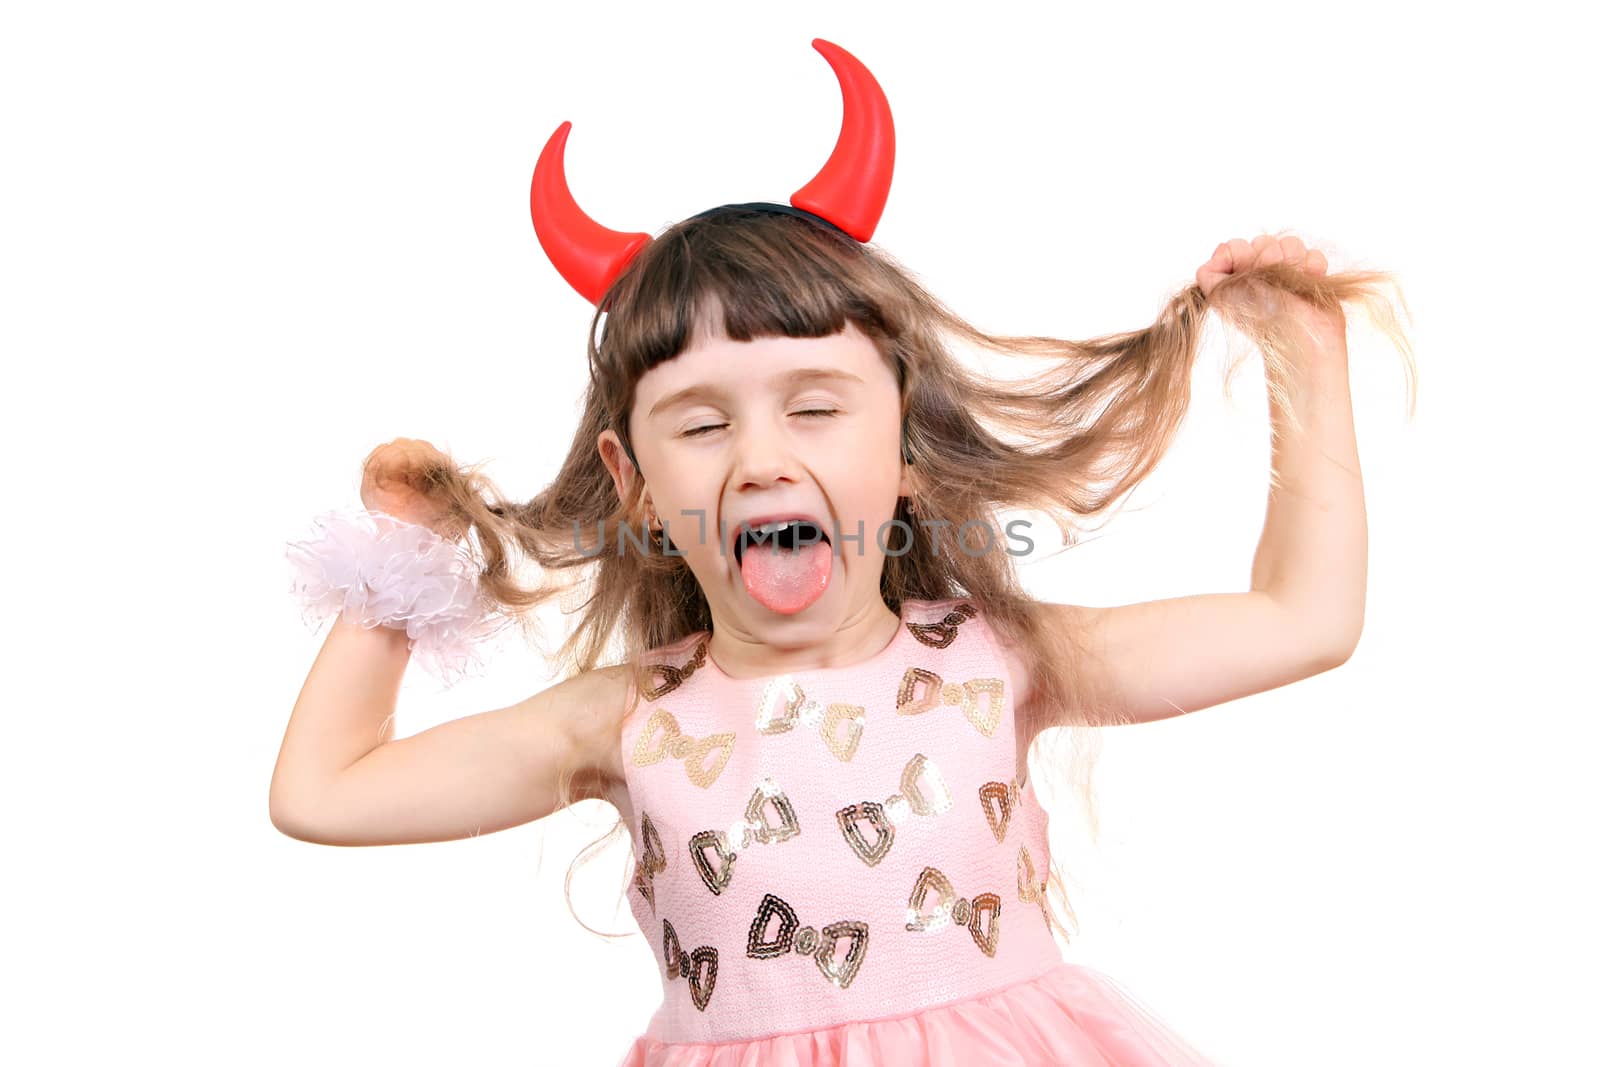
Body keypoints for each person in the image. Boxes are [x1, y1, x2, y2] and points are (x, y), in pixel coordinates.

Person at [273, 38, 1413, 1066]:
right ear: (636, 487)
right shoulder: (620, 717)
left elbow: (1301, 617)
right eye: (704, 423)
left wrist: (1303, 356)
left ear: (907, 446)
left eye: (813, 408)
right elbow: (325, 791)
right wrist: (399, 554)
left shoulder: (1001, 657)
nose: (762, 458)